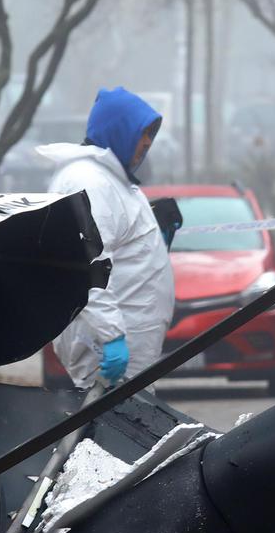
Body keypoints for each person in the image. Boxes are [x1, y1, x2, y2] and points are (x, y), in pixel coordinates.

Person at [38, 87, 175, 390]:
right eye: (143, 133)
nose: (147, 143)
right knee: (111, 418)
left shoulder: (110, 179)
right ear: (120, 129)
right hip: (108, 346)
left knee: (126, 418)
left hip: (125, 340)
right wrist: (111, 336)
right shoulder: (90, 181)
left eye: (151, 135)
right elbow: (87, 264)